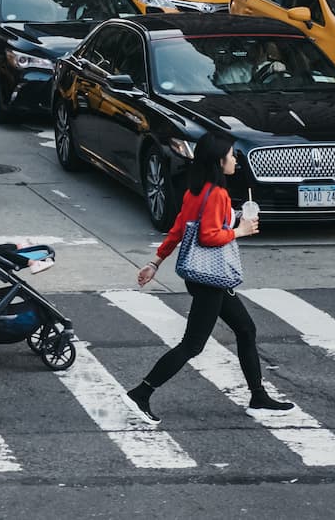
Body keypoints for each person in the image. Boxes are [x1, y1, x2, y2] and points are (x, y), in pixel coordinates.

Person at [123, 131, 295, 425]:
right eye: (231, 154)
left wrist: (155, 262)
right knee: (193, 345)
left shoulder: (196, 191)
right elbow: (209, 236)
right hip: (210, 278)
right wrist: (241, 230)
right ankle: (141, 393)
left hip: (206, 278)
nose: (234, 159)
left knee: (245, 329)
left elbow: (179, 229)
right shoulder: (216, 194)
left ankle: (258, 396)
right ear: (219, 160)